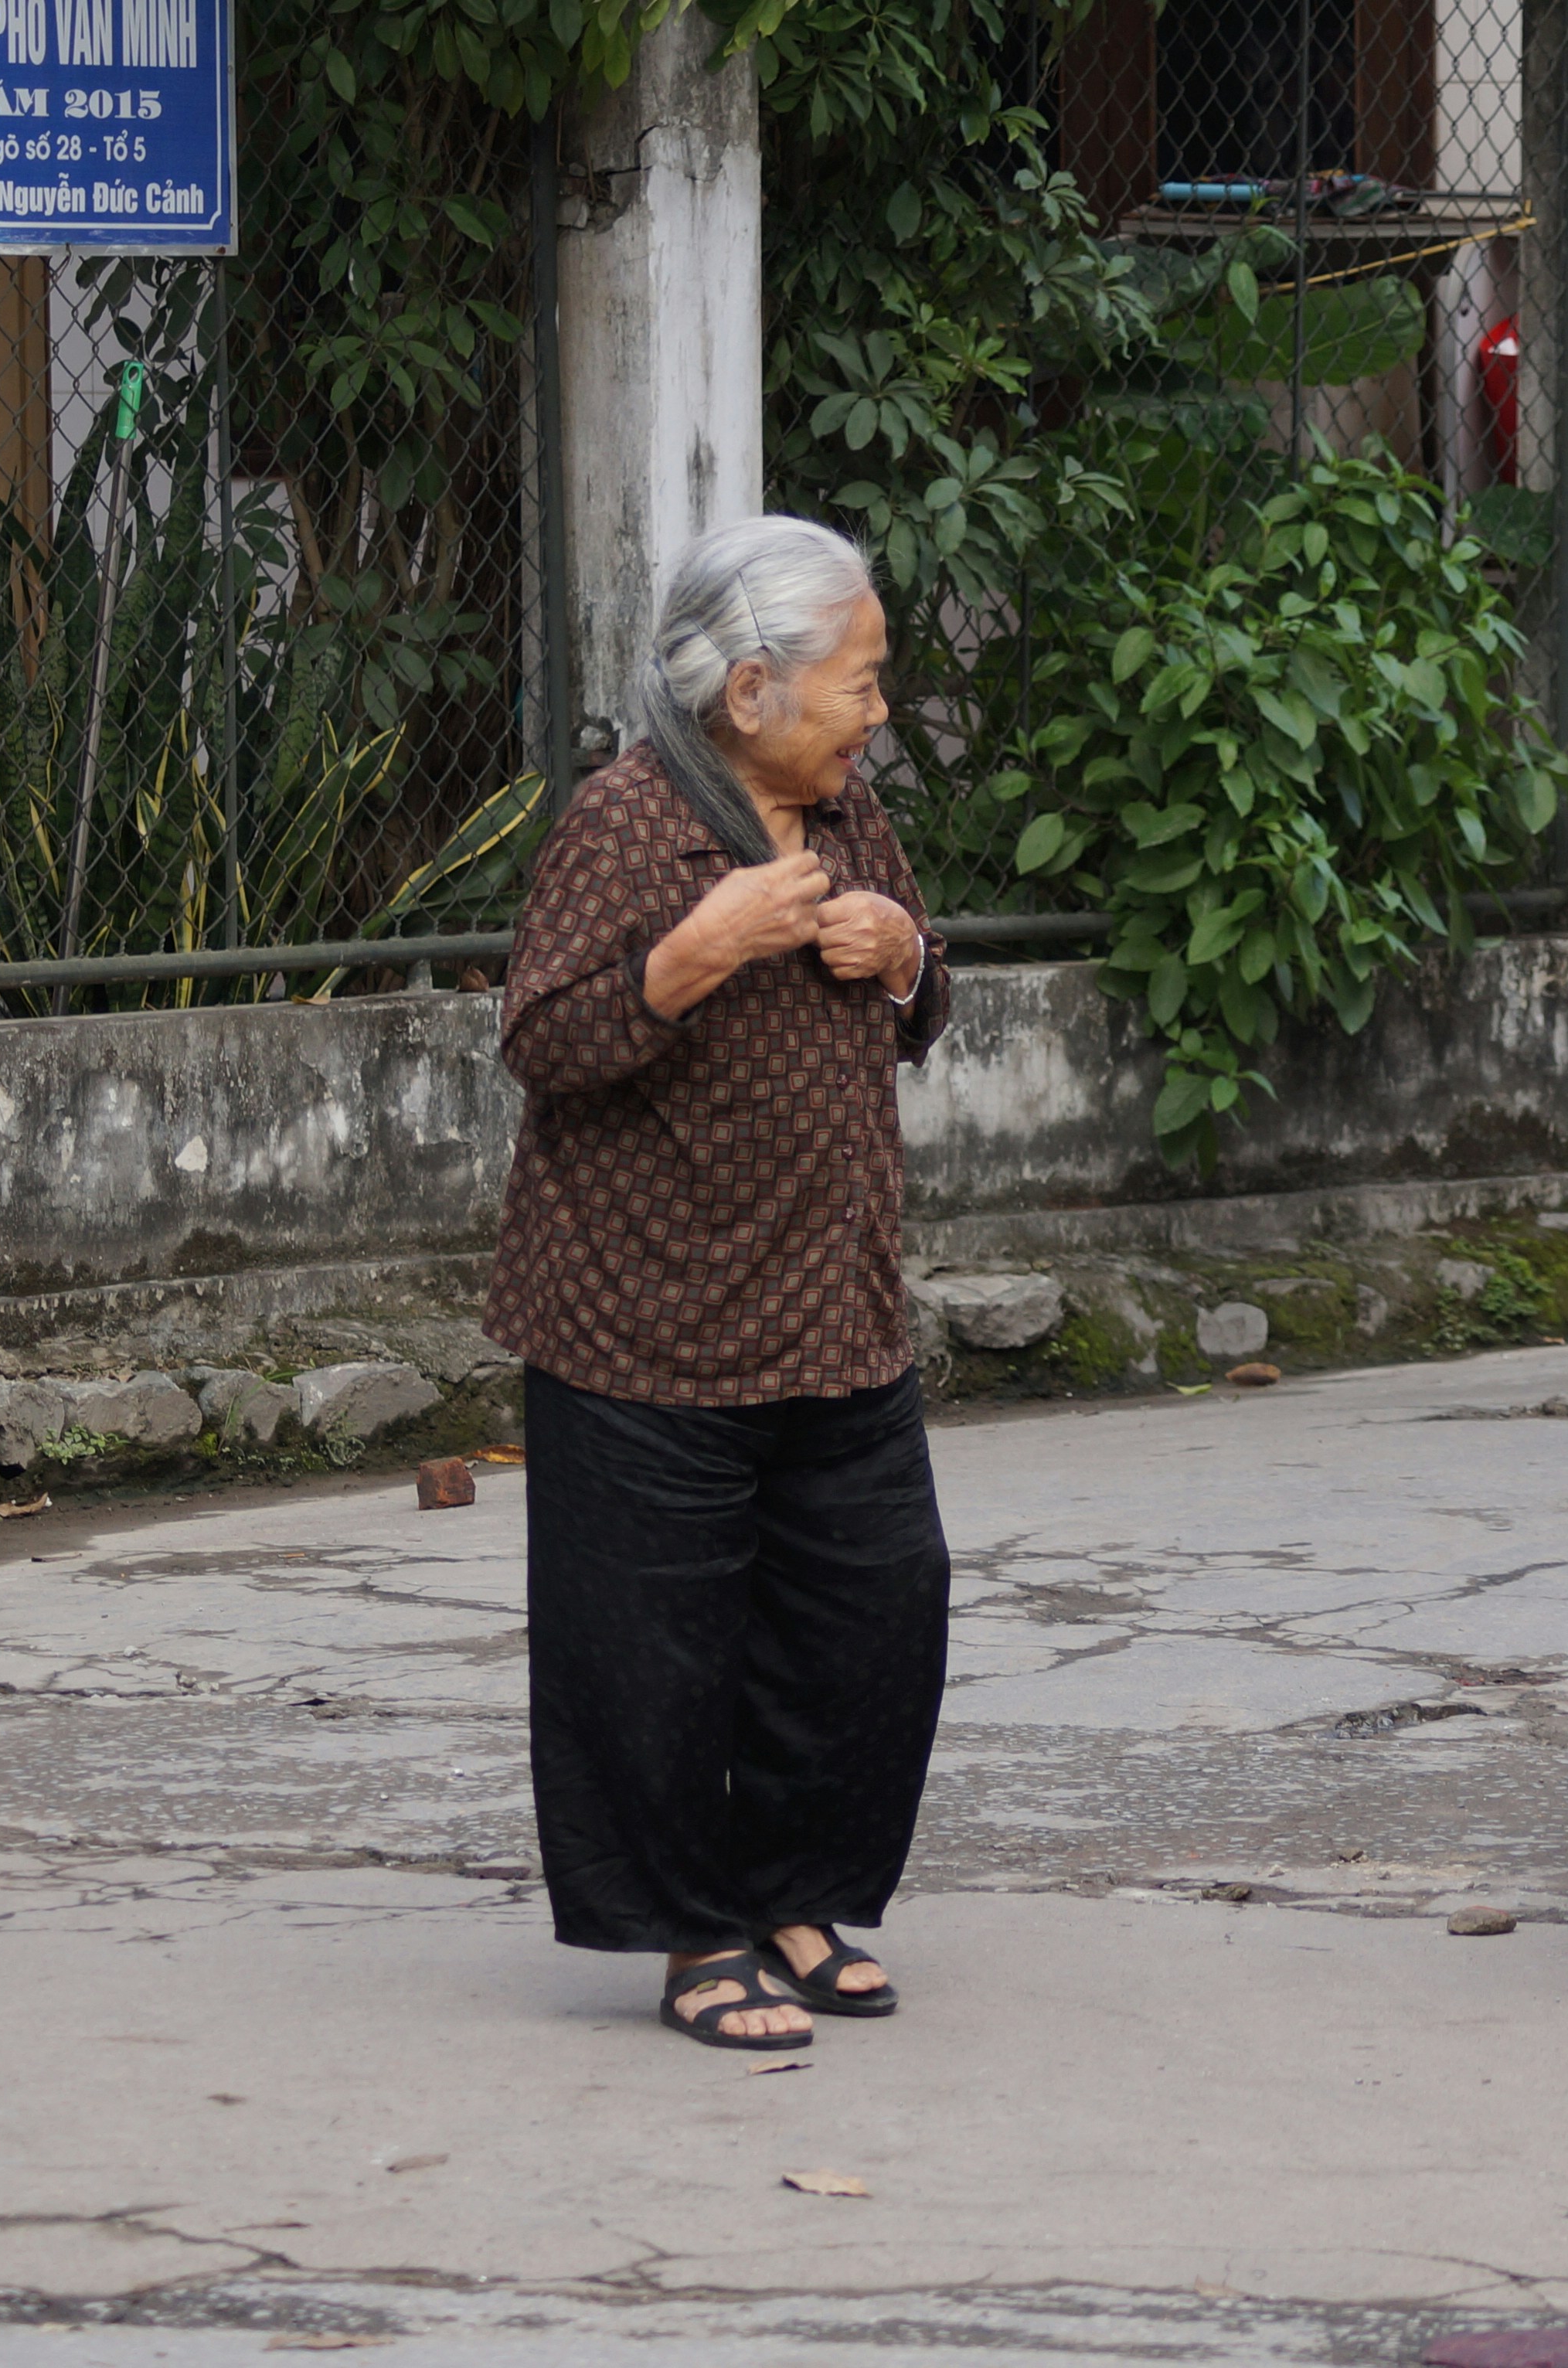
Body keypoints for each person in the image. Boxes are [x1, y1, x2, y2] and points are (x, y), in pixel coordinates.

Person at [485, 514, 955, 2052]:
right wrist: (689, 954)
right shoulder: (624, 827)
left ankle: (799, 1888)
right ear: (750, 687)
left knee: (869, 1613)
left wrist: (901, 956)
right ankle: (699, 1936)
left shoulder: (850, 817)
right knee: (657, 1651)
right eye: (859, 680)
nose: (876, 709)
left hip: (832, 1307)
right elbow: (543, 1040)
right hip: (645, 1324)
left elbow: (921, 997)